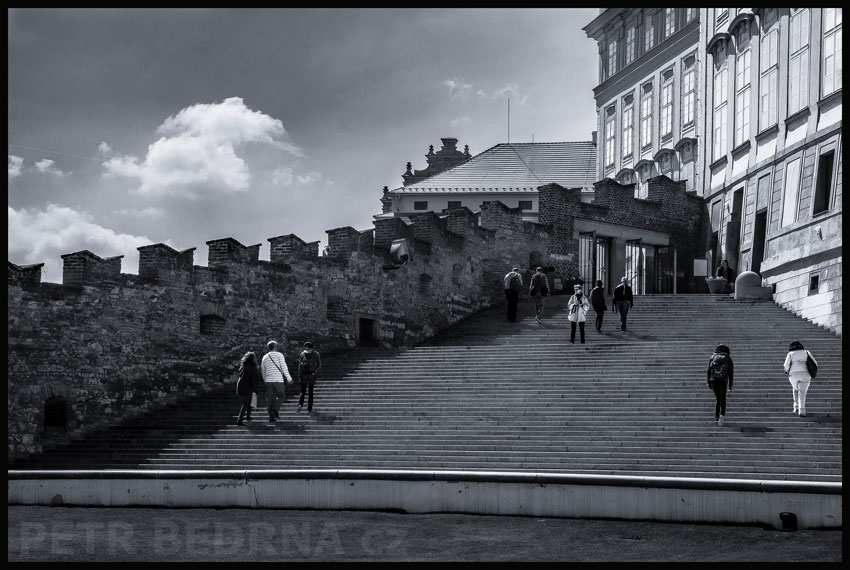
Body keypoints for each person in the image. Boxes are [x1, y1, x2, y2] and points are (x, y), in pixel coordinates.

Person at [261, 340, 293, 423]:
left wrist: (265, 380)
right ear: (275, 347)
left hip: (268, 381)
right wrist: (289, 378)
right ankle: (274, 410)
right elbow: (284, 367)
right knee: (281, 396)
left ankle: (271, 417)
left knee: (270, 399)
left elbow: (263, 370)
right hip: (278, 380)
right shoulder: (279, 355)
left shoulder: (264, 357)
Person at [783, 340, 817, 417]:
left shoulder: (790, 354)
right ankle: (802, 410)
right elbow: (814, 363)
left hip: (793, 374)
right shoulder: (806, 352)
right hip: (805, 373)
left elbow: (786, 365)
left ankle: (796, 407)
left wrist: (786, 371)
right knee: (802, 392)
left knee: (795, 389)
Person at [706, 344, 734, 426]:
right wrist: (730, 385)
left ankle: (716, 417)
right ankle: (722, 414)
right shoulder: (727, 358)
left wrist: (708, 382)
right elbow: (731, 373)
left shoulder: (713, 357)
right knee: (722, 399)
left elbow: (709, 370)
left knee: (718, 399)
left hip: (713, 380)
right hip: (723, 380)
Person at [297, 341, 323, 414]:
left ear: (306, 347)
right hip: (312, 374)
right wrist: (315, 370)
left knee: (303, 391)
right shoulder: (316, 354)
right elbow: (319, 364)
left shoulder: (302, 354)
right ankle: (309, 408)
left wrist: (299, 376)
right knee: (310, 391)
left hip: (303, 375)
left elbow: (299, 366)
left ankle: (300, 404)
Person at [236, 351, 260, 426]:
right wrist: (256, 390)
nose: (256, 359)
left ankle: (248, 416)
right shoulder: (252, 367)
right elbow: (254, 380)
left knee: (248, 402)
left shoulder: (243, 366)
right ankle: (240, 420)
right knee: (246, 403)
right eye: (255, 358)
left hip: (241, 386)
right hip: (248, 387)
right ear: (252, 359)